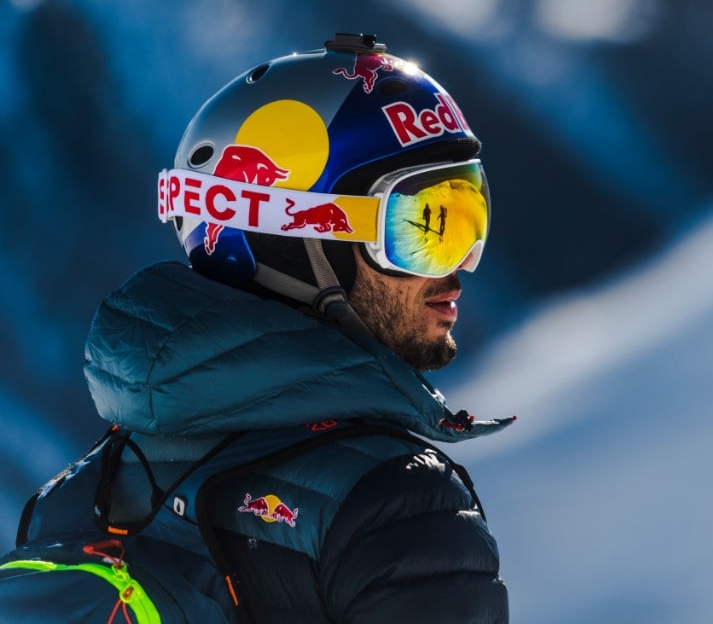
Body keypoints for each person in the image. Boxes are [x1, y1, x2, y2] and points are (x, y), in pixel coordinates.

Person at [78, 34, 513, 620]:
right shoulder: (398, 506)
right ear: (293, 243)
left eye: (470, 218)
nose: (460, 266)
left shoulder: (78, 496)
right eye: (423, 228)